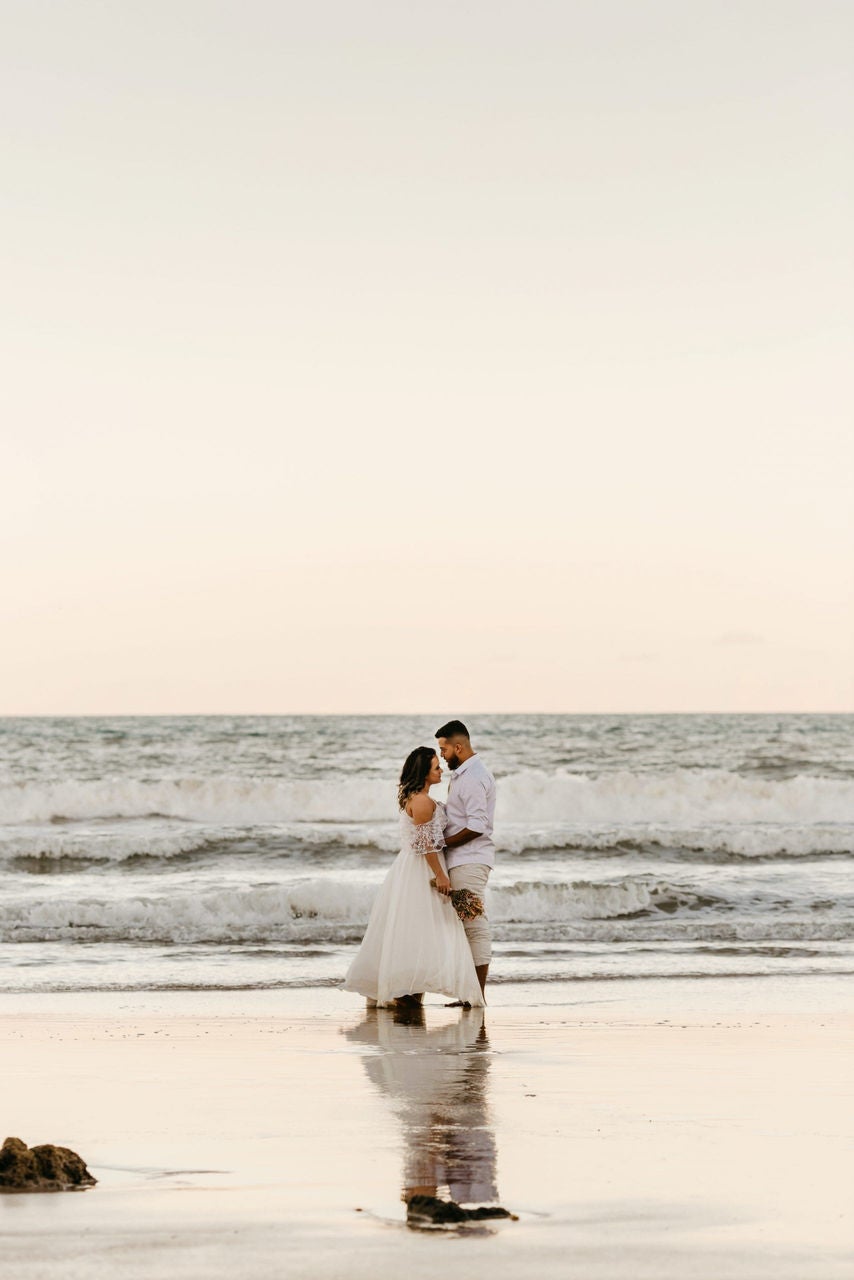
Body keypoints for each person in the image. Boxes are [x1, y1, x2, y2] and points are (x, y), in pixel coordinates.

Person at [342, 746, 484, 1008]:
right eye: (435, 768)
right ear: (423, 773)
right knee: (417, 928)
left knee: (417, 929)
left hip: (415, 867)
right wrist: (441, 875)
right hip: (420, 870)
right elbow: (425, 844)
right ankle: (404, 991)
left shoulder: (421, 798)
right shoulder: (420, 801)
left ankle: (412, 990)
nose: (441, 770)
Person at [435, 720, 496, 1000]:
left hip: (470, 861)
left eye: (444, 748)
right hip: (462, 860)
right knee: (466, 925)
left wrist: (442, 842)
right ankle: (469, 994)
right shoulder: (463, 775)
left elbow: (477, 825)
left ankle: (477, 996)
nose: (442, 755)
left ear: (458, 746)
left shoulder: (472, 777)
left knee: (474, 924)